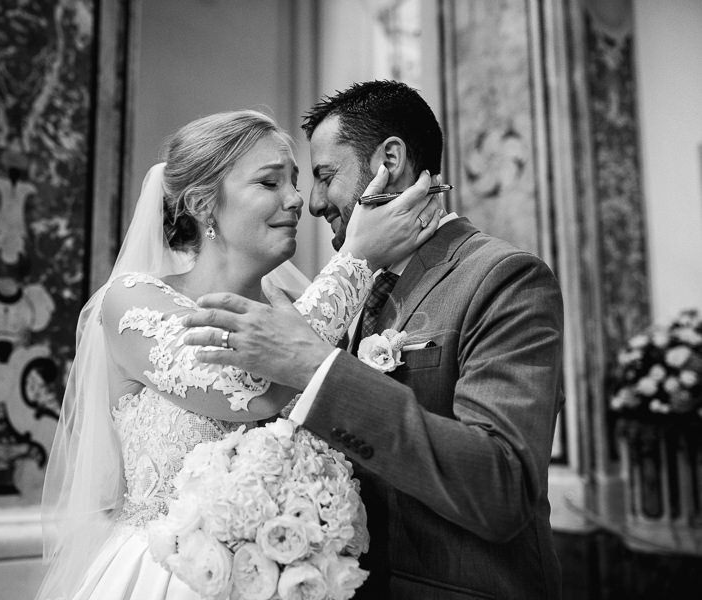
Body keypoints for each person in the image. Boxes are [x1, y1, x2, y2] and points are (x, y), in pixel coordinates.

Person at [35, 108, 442, 600]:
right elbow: (247, 388)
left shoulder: (299, 307)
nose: (296, 200)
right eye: (270, 183)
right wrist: (357, 258)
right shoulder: (131, 301)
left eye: (295, 180)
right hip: (167, 579)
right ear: (204, 203)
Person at [183, 80, 565, 599]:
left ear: (391, 158)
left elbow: (502, 489)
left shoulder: (503, 278)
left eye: (324, 176)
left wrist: (319, 370)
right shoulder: (346, 284)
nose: (312, 204)